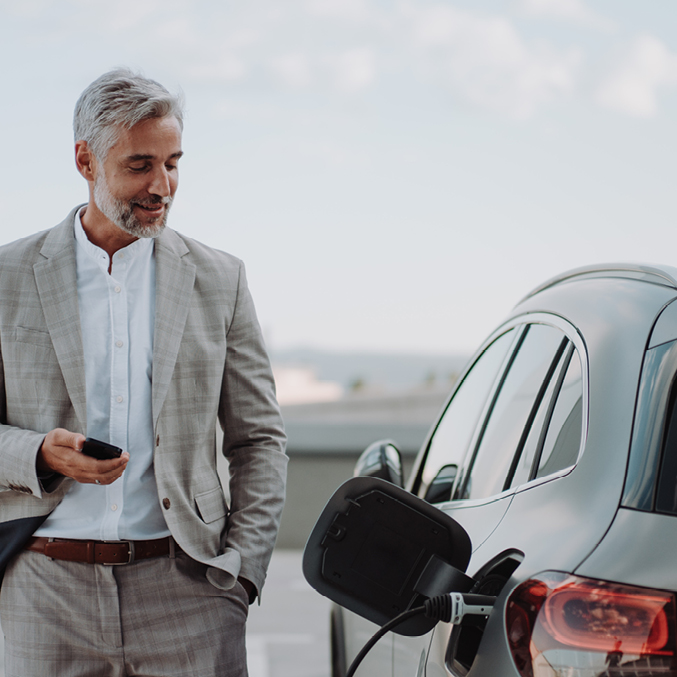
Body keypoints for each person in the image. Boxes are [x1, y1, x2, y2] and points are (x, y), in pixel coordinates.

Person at [0, 68, 287, 677]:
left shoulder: (220, 279)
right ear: (85, 160)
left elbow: (258, 440)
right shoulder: (5, 278)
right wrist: (39, 454)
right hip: (42, 591)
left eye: (174, 163)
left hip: (188, 591)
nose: (163, 185)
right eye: (139, 165)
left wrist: (242, 574)